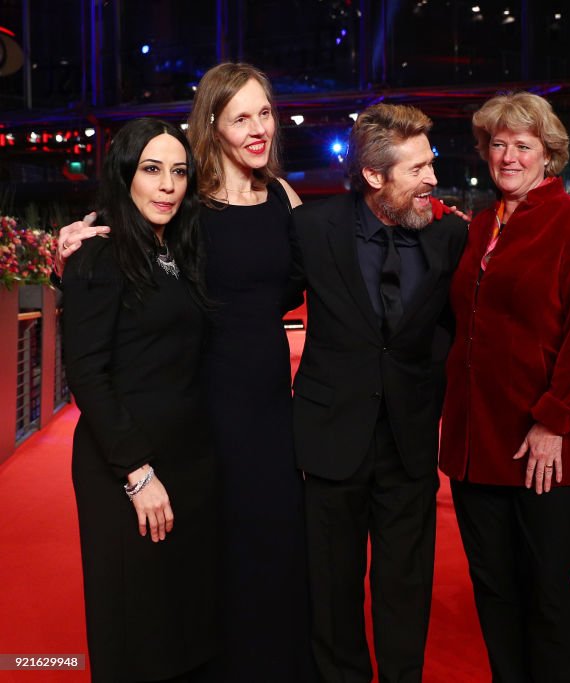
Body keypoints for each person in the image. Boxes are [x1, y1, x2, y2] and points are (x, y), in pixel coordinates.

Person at [58, 62, 313, 682]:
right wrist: (65, 257)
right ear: (214, 126)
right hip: (200, 406)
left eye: (264, 113)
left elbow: (305, 280)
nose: (257, 128)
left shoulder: (284, 198)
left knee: (269, 549)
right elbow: (118, 296)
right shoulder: (186, 206)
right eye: (240, 116)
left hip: (263, 404)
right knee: (188, 573)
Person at [286, 103, 467, 683]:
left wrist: (425, 381)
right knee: (333, 591)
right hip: (332, 437)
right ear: (373, 175)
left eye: (430, 164)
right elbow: (243, 294)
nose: (432, 179)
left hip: (409, 442)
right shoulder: (313, 229)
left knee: (404, 587)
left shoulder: (450, 234)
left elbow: (456, 325)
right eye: (417, 169)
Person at [438, 92, 570, 683]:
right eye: (498, 144)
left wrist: (554, 420)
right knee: (493, 588)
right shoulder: (482, 222)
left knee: (545, 591)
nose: (508, 156)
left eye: (523, 145)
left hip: (545, 443)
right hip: (474, 441)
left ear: (549, 154)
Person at [63, 118, 218, 681]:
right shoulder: (96, 257)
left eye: (178, 172)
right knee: (137, 627)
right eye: (152, 170)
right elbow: (86, 371)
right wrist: (136, 472)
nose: (168, 186)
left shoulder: (180, 249)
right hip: (126, 466)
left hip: (188, 461)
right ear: (125, 174)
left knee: (182, 622)